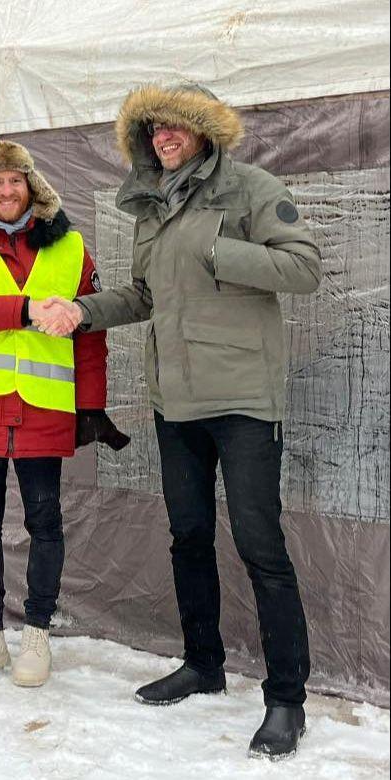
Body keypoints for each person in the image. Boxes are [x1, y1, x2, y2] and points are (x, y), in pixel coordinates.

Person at [41, 83, 321, 759]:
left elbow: (303, 266)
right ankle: (204, 663)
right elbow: (144, 294)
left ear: (201, 131)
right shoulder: (152, 205)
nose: (164, 136)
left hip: (246, 402)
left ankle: (287, 699)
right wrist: (80, 310)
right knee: (188, 536)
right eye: (154, 128)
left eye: (176, 126)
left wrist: (219, 254)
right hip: (176, 402)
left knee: (261, 548)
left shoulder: (250, 187)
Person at [0, 138, 129, 690]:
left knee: (45, 522)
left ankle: (37, 633)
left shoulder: (71, 249)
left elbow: (90, 333)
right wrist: (24, 309)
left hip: (44, 408)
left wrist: (90, 405)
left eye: (15, 180)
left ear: (31, 187)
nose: (6, 191)